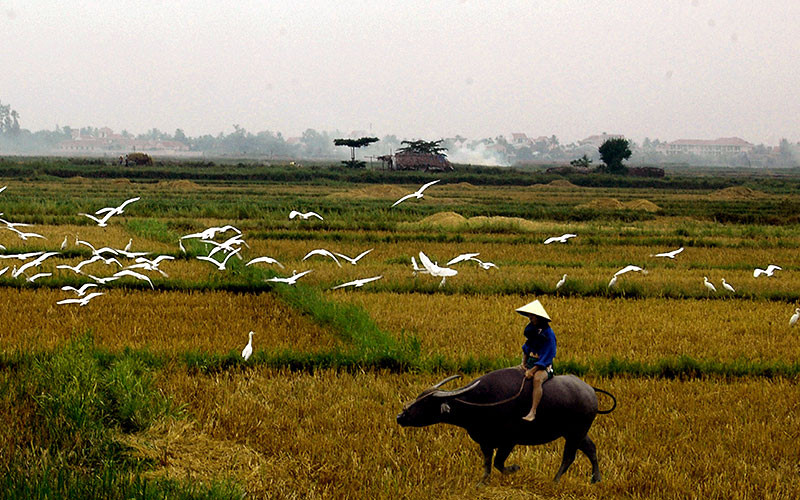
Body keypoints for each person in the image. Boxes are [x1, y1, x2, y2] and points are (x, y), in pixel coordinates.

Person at [516, 299, 556, 422]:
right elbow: (527, 348)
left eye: (532, 317)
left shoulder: (548, 335)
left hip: (543, 366)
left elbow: (547, 356)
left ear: (538, 318)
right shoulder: (533, 331)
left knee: (537, 380)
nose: (530, 320)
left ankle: (533, 411)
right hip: (530, 363)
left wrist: (533, 370)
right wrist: (523, 363)